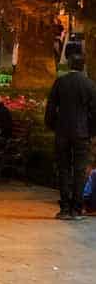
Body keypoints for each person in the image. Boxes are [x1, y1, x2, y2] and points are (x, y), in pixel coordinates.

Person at [45, 51, 96, 219]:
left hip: (63, 131)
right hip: (82, 133)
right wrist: (91, 131)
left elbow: (51, 107)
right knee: (80, 170)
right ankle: (76, 208)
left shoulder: (60, 82)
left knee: (64, 168)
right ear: (83, 66)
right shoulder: (89, 84)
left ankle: (65, 207)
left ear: (69, 65)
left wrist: (52, 125)